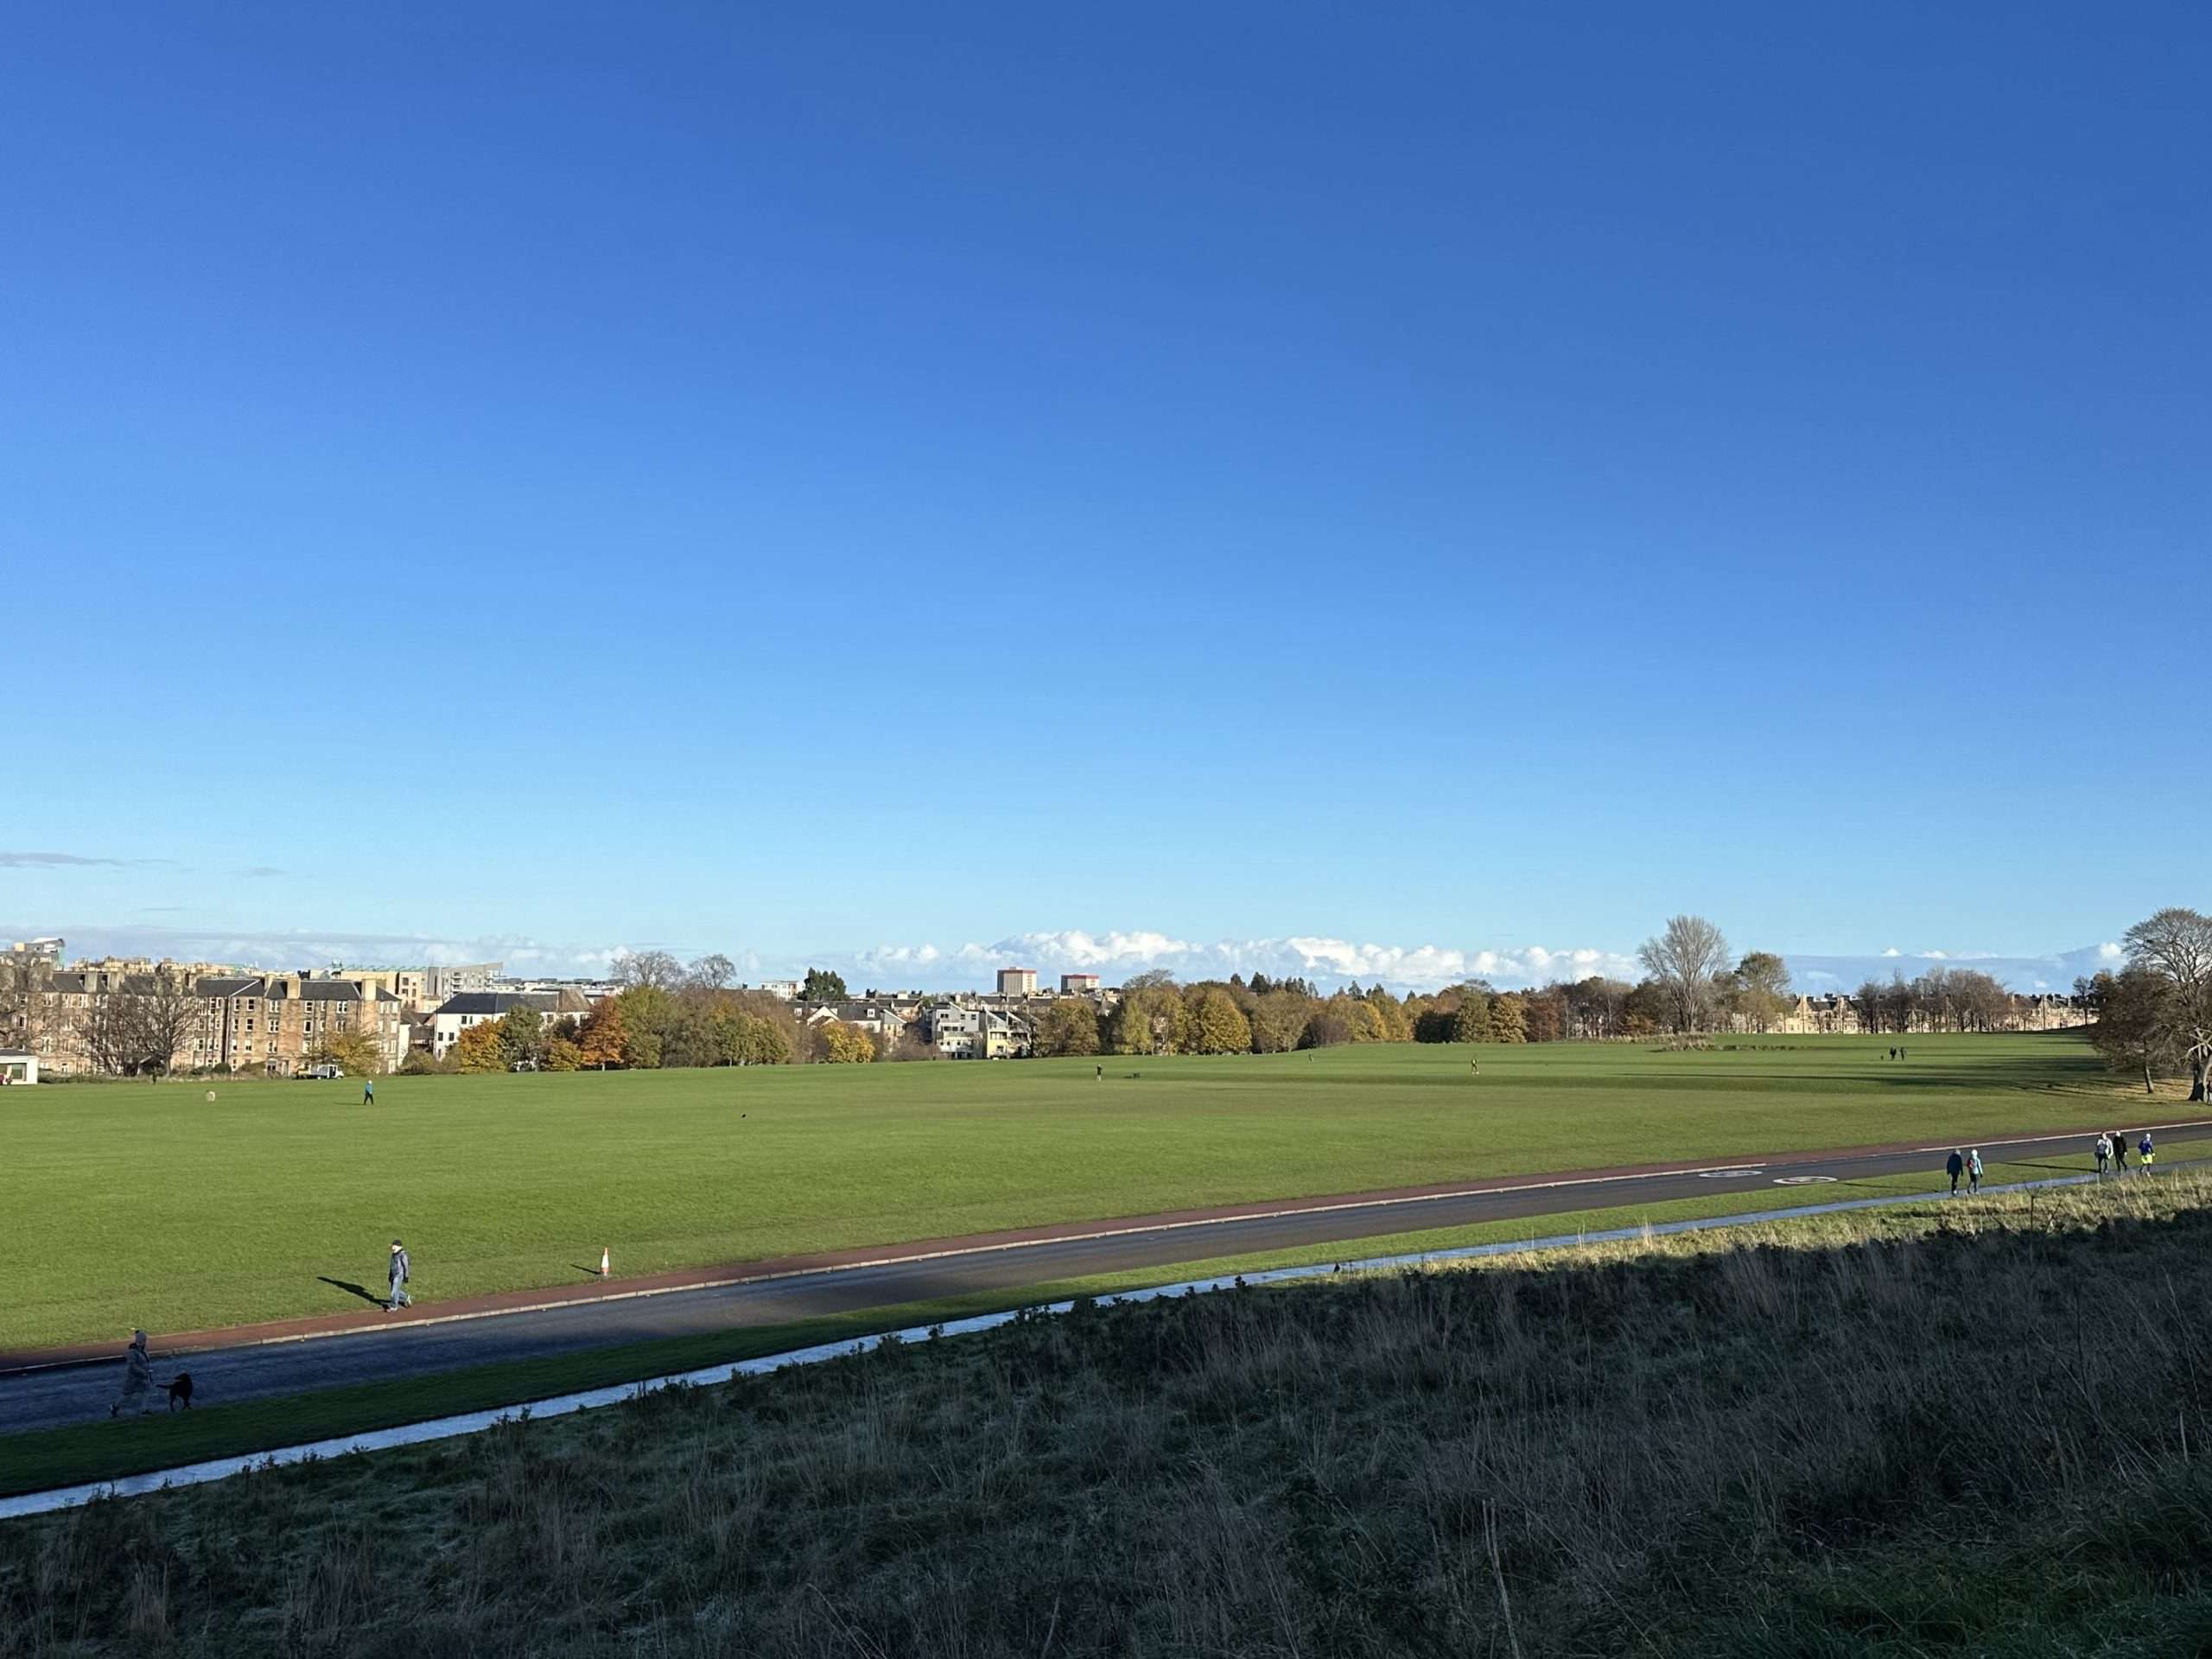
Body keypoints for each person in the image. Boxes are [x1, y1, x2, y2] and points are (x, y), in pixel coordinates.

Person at [109, 1330, 153, 1418]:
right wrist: (142, 1371)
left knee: (146, 1391)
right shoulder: (132, 1352)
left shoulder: (142, 1350)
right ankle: (115, 1407)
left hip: (142, 1376)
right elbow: (132, 1365)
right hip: (133, 1377)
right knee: (127, 1394)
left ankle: (144, 1410)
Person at [387, 1239, 411, 1311]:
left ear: (398, 1247)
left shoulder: (403, 1255)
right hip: (393, 1275)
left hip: (399, 1275)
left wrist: (406, 1276)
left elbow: (406, 1266)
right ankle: (406, 1297)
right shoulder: (393, 1254)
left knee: (393, 1292)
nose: (392, 1248)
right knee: (395, 1291)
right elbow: (392, 1266)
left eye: (393, 1246)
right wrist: (390, 1275)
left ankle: (394, 1306)